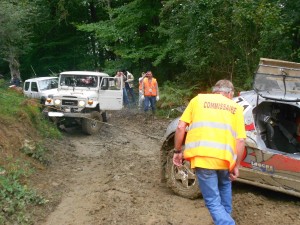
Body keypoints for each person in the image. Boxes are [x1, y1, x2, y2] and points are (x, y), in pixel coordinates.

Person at [173, 79, 246, 225]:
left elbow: (181, 127)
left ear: (214, 90)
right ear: (230, 93)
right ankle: (224, 219)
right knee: (224, 187)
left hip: (203, 159)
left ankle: (226, 223)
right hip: (225, 160)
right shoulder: (236, 108)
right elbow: (241, 141)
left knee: (212, 201)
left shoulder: (198, 100)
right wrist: (236, 165)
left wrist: (177, 151)